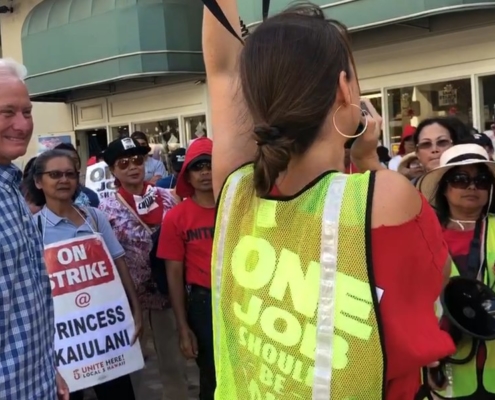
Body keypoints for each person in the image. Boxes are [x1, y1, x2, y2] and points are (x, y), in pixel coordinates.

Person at [202, 2, 455, 399]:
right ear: (343, 89)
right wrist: (369, 161)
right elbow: (440, 279)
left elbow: (222, 71)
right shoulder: (384, 197)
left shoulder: (237, 191)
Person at [24, 149, 142, 400]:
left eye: (70, 174)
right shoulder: (33, 229)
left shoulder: (95, 217)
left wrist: (135, 309)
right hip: (64, 340)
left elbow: (119, 263)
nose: (63, 180)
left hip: (106, 333)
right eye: (55, 174)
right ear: (38, 182)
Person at [98, 137, 188, 400]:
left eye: (138, 160)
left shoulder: (168, 198)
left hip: (167, 296)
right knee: (133, 368)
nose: (132, 167)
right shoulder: (105, 208)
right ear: (113, 170)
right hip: (130, 300)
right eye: (123, 163)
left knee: (173, 364)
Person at [0, 57, 68, 399]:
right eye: (7, 112)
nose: (22, 124)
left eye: (27, 112)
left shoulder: (11, 188)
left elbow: (23, 304)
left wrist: (47, 369)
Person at [419, 143, 495, 399]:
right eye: (461, 179)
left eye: (481, 180)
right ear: (444, 187)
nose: (472, 187)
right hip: (443, 365)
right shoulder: (424, 236)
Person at [158, 138, 216, 400]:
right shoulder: (176, 217)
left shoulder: (238, 208)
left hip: (241, 301)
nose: (205, 172)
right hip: (203, 304)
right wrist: (183, 327)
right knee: (212, 376)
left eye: (210, 165)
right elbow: (174, 275)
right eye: (197, 167)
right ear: (187, 176)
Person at [53, 142, 100, 207]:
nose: (70, 165)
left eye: (74, 161)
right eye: (63, 161)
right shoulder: (45, 197)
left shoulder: (90, 196)